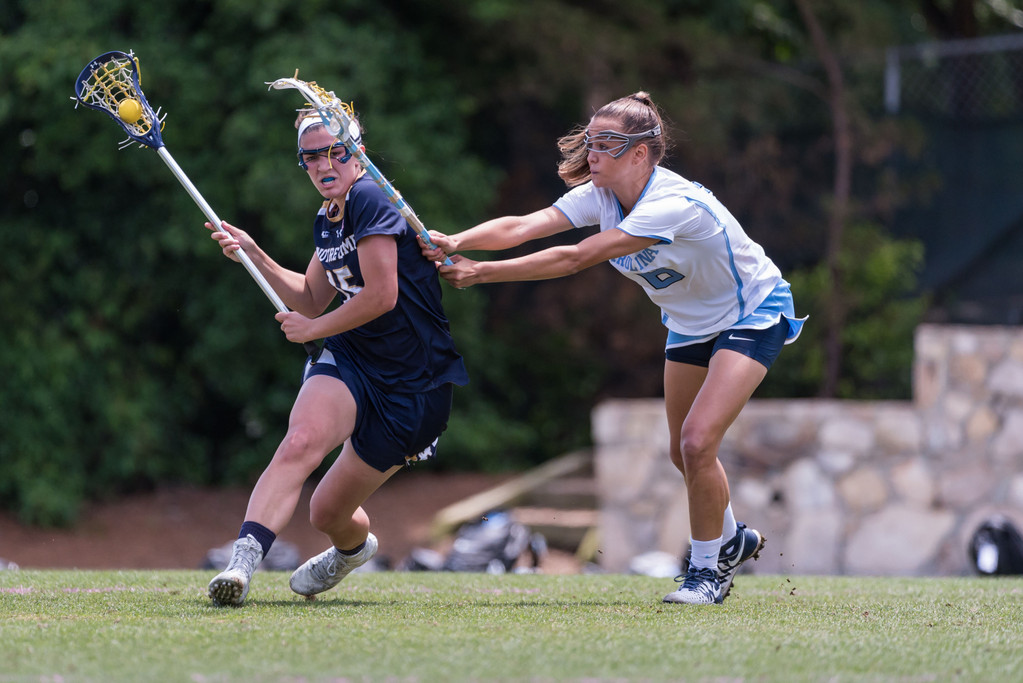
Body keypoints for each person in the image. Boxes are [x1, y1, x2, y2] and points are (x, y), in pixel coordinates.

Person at [421, 92, 804, 605]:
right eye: (590, 142)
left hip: (752, 313)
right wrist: (456, 241)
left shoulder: (671, 204)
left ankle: (707, 572)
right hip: (690, 323)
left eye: (605, 144)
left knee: (696, 442)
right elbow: (523, 227)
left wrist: (483, 272)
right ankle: (732, 538)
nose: (592, 154)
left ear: (641, 153)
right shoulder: (599, 195)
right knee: (680, 452)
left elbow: (575, 257)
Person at [205, 106, 468, 606]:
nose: (324, 165)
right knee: (300, 441)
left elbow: (381, 295)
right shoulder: (327, 219)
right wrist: (254, 254)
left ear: (357, 155)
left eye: (335, 152)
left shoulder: (369, 197)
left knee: (326, 513)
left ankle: (351, 551)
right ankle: (240, 566)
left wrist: (313, 329)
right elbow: (308, 297)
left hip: (416, 387)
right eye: (311, 158)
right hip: (354, 358)